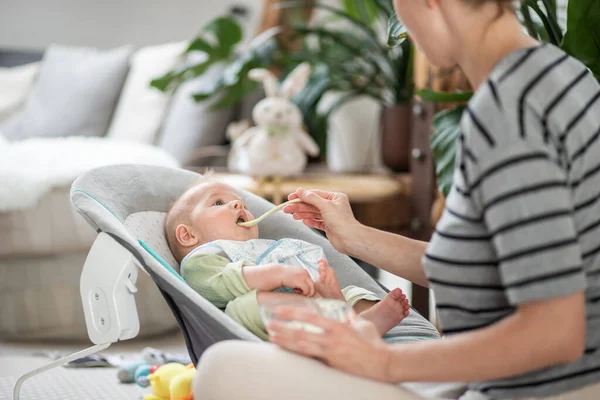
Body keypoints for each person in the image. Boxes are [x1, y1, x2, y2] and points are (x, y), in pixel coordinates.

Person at [191, 0, 600, 399]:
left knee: (221, 368)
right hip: (523, 376)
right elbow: (490, 270)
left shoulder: (506, 114)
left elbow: (554, 333)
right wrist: (352, 236)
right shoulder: (565, 75)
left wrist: (382, 363)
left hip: (532, 387)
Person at [164, 179, 410, 340]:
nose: (237, 203)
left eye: (239, 201)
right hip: (262, 327)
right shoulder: (202, 259)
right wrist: (277, 274)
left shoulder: (264, 246)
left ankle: (358, 318)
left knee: (353, 291)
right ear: (188, 235)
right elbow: (224, 284)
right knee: (242, 308)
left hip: (308, 300)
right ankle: (344, 320)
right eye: (218, 202)